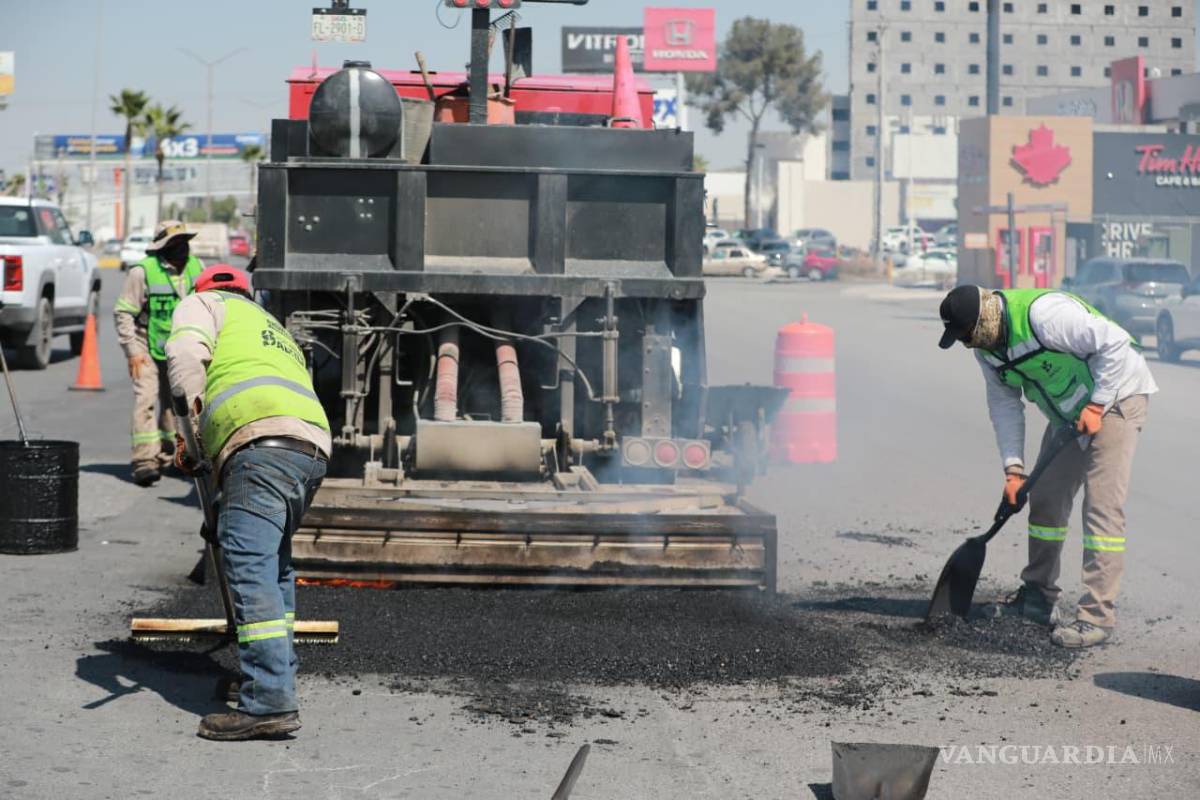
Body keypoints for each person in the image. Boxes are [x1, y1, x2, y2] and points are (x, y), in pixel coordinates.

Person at [938, 285, 1156, 648]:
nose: (967, 344)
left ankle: (1096, 616)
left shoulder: (1045, 316)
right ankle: (1038, 599)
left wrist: (1097, 404)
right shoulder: (985, 350)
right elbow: (1004, 405)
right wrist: (1013, 470)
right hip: (1069, 413)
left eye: (968, 336)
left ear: (986, 319)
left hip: (1117, 397)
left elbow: (1116, 341)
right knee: (1046, 499)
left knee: (1101, 508)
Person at [165, 264, 331, 740]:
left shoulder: (204, 304)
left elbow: (182, 359)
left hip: (259, 444)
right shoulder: (269, 324)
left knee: (248, 563)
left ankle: (270, 700)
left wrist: (191, 437)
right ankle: (276, 671)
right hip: (310, 449)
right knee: (275, 564)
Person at [113, 220, 205, 486]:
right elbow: (123, 312)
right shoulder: (142, 272)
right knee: (146, 399)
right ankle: (144, 461)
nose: (182, 248)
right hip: (145, 345)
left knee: (176, 403)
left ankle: (170, 456)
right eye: (175, 244)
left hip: (180, 347)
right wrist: (132, 350)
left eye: (185, 242)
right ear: (162, 247)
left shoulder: (197, 268)